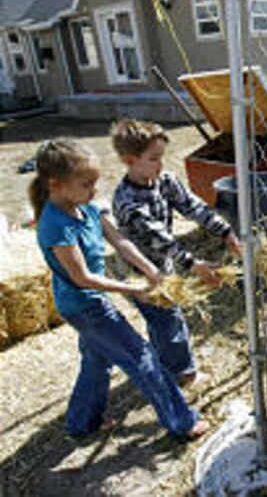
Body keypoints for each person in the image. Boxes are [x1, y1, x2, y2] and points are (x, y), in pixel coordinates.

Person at [30, 138, 208, 439]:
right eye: (86, 184)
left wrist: (151, 271)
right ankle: (182, 422)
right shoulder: (56, 226)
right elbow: (82, 278)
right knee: (142, 357)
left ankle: (82, 422)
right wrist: (132, 289)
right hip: (83, 305)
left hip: (89, 301)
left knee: (97, 359)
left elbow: (121, 241)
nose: (94, 190)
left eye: (95, 183)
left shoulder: (87, 208)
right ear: (56, 184)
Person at [110, 118, 242, 386]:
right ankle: (183, 375)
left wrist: (226, 231)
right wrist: (195, 265)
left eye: (162, 157)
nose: (161, 164)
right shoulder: (127, 202)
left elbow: (192, 206)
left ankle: (167, 366)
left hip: (162, 265)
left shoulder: (163, 180)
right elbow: (160, 238)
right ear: (129, 160)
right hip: (142, 273)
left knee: (164, 322)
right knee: (168, 322)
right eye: (153, 158)